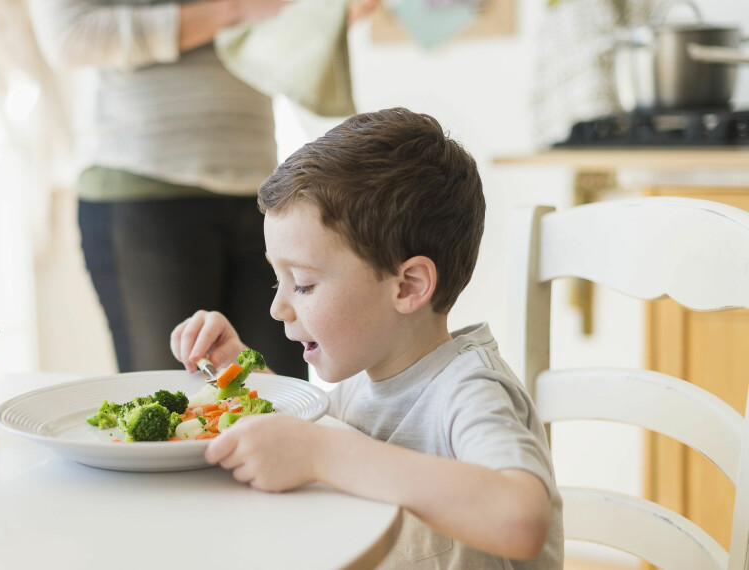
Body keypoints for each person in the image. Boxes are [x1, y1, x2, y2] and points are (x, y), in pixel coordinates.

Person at [170, 108, 564, 568]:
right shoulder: (363, 383)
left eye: (304, 282)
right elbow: (297, 442)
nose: (278, 308)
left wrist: (323, 453)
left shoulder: (471, 391)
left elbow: (521, 518)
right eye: (278, 279)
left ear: (408, 286)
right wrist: (239, 367)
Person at [27, 0, 310, 377]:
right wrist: (234, 10)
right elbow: (69, 35)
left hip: (259, 189)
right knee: (173, 403)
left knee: (283, 396)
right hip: (144, 188)